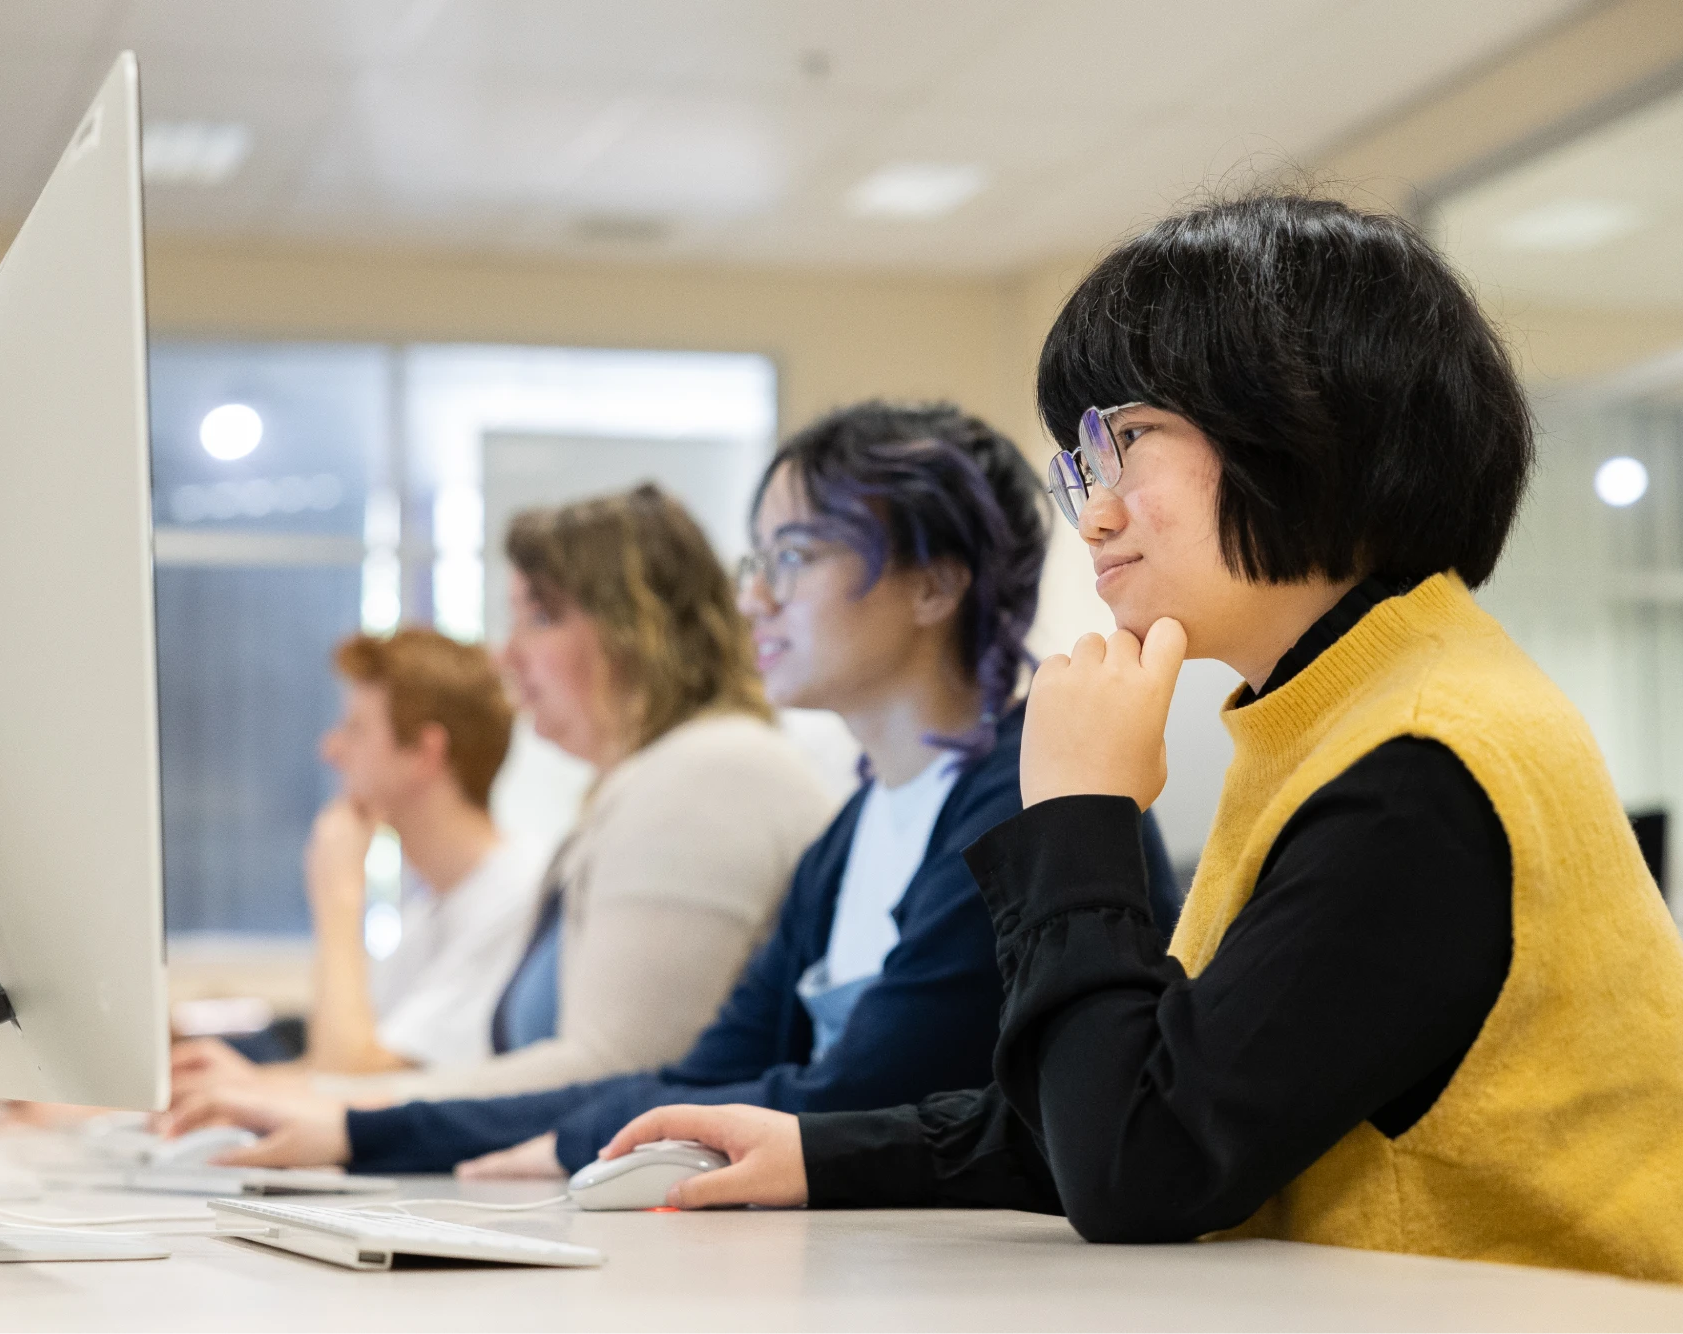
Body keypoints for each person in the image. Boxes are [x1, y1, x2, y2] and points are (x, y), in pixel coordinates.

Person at [598, 195, 1683, 1296]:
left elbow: (1138, 1161)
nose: (1093, 512)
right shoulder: (1350, 706)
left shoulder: (1425, 759)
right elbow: (1164, 1086)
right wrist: (822, 1151)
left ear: (1313, 426)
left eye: (1129, 439)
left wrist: (1077, 814)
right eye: (1080, 463)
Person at [161, 403, 1177, 1173]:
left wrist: (542, 1140)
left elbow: (855, 1088)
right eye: (756, 559)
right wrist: (379, 1127)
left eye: (796, 553)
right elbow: (702, 1074)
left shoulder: (1016, 789)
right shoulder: (858, 822)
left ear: (934, 582)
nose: (757, 597)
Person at [173, 484, 832, 1111]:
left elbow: (615, 1070)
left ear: (637, 629)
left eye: (541, 617)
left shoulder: (709, 774)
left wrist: (333, 1105)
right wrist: (306, 1098)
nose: (506, 655)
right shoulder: (649, 783)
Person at [171, 628, 549, 1081]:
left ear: (425, 754)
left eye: (356, 730)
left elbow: (350, 1078)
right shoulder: (433, 907)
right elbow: (338, 1062)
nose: (331, 749)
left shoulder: (518, 896)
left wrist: (338, 896)